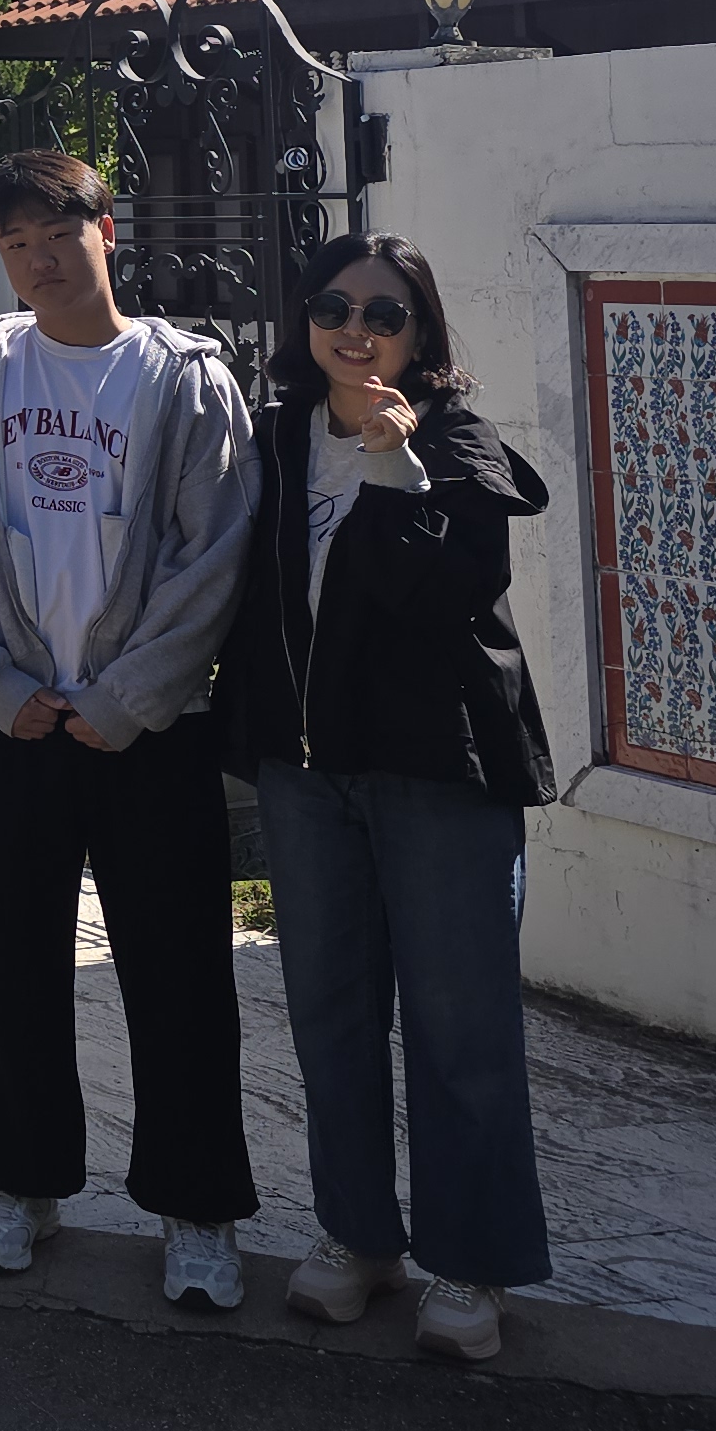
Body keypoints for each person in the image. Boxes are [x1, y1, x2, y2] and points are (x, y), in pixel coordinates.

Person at [0, 149, 262, 1305]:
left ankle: (197, 1211)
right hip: (8, 726)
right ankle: (18, 1184)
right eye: (15, 243)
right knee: (8, 969)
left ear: (106, 233)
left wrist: (127, 699)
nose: (38, 260)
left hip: (147, 732)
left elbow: (214, 557)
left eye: (57, 234)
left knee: (179, 976)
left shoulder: (182, 379)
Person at [217, 234, 556, 1365]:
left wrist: (393, 466)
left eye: (384, 313)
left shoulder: (452, 440)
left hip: (436, 776)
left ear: (422, 333)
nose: (355, 331)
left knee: (460, 1028)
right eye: (333, 307)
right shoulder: (273, 439)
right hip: (307, 776)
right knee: (330, 1014)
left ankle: (471, 1261)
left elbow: (445, 595)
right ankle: (358, 1236)